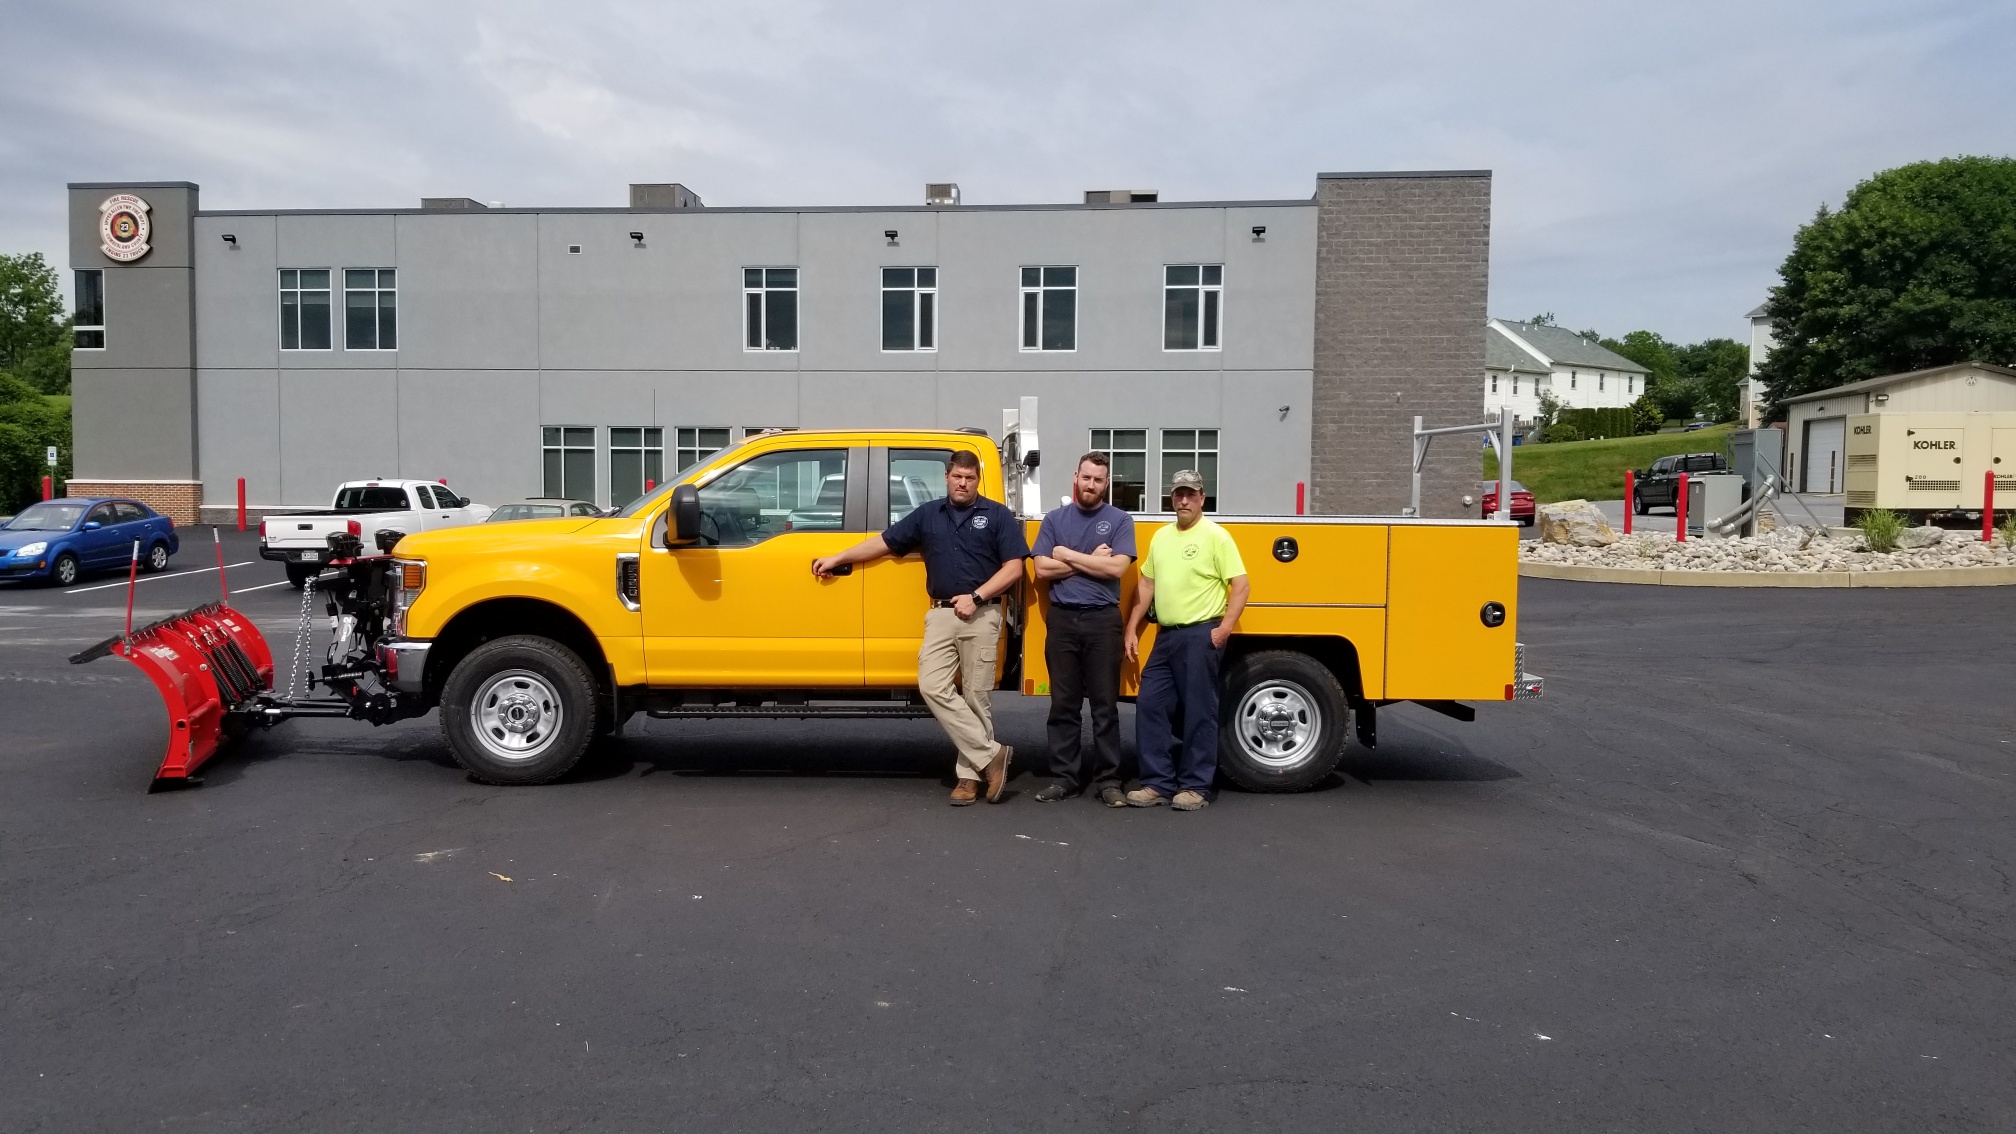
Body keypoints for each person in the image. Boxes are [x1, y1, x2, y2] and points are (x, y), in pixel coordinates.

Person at [813, 450, 1029, 805]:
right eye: (957, 476)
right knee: (932, 686)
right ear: (946, 477)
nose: (963, 483)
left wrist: (976, 596)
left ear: (977, 480)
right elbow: (884, 542)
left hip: (983, 613)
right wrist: (839, 556)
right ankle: (991, 755)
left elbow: (1014, 569)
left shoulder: (997, 516)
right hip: (941, 614)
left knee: (976, 697)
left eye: (970, 478)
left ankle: (967, 779)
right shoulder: (928, 514)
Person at [1123, 470, 1249, 811]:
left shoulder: (1216, 537)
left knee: (1198, 712)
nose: (1183, 500)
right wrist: (1132, 626)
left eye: (1190, 494)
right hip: (1166, 637)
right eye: (1178, 494)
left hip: (1200, 635)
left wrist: (1224, 629)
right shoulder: (1162, 538)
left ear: (1202, 498)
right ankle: (1157, 783)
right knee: (1150, 705)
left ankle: (1194, 786)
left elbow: (1240, 585)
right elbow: (1146, 585)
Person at [1030, 452, 1136, 806]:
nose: (1091, 485)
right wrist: (1090, 558)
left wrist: (1066, 554)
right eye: (1086, 477)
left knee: (1105, 706)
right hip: (1062, 620)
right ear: (1076, 477)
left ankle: (1108, 781)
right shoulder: (1055, 519)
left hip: (1102, 621)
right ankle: (1064, 778)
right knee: (1063, 705)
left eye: (1098, 480)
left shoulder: (1120, 520)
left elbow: (1116, 569)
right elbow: (1042, 570)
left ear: (1107, 483)